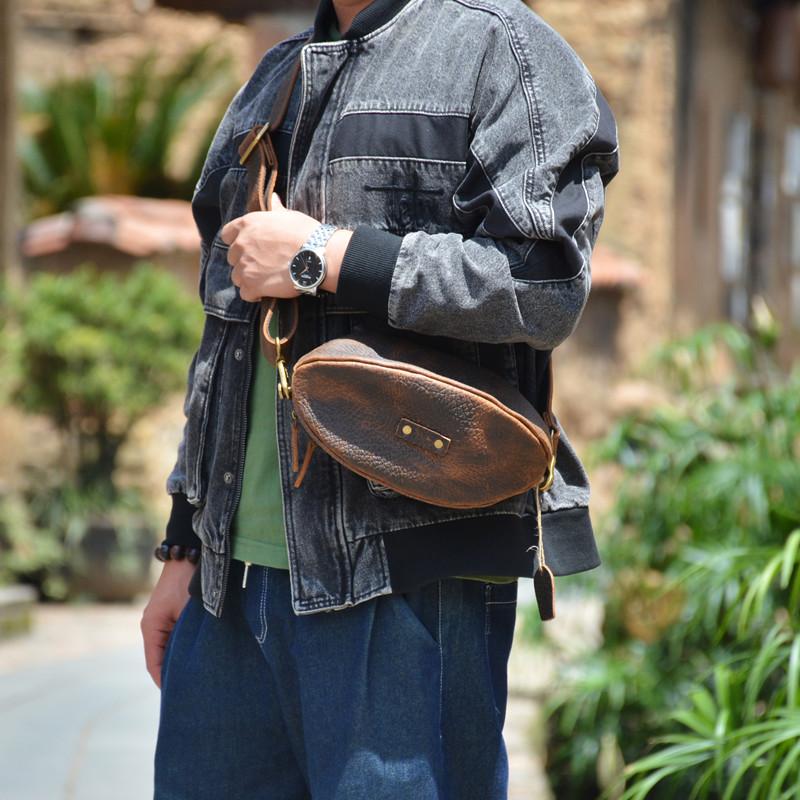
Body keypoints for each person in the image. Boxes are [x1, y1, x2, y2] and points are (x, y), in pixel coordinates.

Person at [141, 0, 620, 797]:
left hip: (406, 581)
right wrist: (183, 546)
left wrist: (324, 257)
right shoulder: (274, 78)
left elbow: (543, 286)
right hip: (228, 592)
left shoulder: (501, 50)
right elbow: (223, 341)